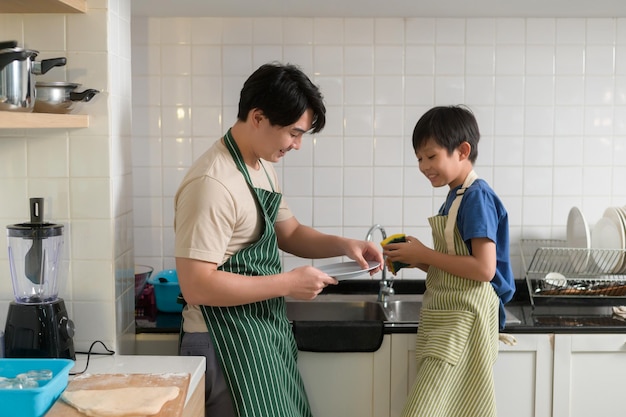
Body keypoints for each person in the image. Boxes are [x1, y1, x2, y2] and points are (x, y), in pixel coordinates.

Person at [173, 62, 384, 417]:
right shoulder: (212, 183)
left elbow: (291, 232)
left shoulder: (261, 166)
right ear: (258, 118)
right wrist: (287, 283)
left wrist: (344, 245)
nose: (297, 145)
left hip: (258, 335)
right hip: (223, 342)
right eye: (293, 133)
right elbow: (197, 285)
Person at [382, 105, 515, 417]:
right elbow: (457, 265)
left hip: (465, 320)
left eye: (431, 156)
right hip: (452, 318)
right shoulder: (455, 196)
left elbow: (484, 269)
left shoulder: (476, 197)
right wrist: (416, 259)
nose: (423, 165)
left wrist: (425, 254)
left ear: (462, 151)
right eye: (419, 158)